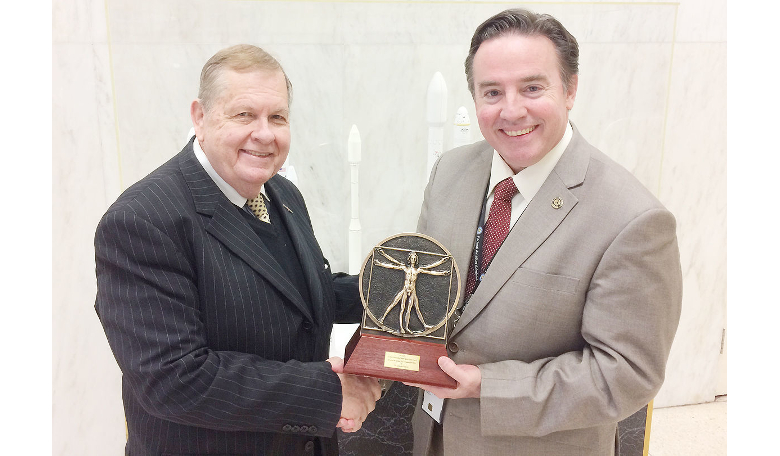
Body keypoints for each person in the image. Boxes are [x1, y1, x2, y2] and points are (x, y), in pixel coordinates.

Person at [408, 9, 683, 456]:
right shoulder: (449, 172)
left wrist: (489, 387)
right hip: (435, 437)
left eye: (533, 88)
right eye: (492, 92)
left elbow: (627, 373)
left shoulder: (633, 220)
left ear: (571, 88)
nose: (511, 110)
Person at [94, 44, 381, 456]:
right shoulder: (142, 221)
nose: (264, 134)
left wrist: (395, 292)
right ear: (200, 117)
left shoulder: (282, 193)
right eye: (244, 114)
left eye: (277, 117)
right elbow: (175, 379)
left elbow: (294, 293)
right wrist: (329, 392)